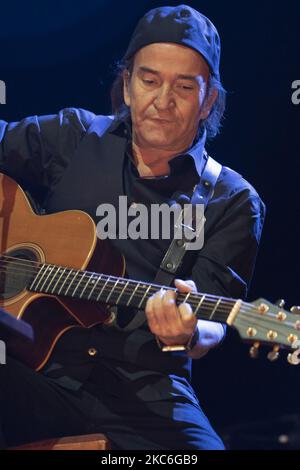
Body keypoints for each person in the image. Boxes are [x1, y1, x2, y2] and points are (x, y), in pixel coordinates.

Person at [0, 5, 265, 450]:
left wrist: (191, 332)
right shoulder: (73, 137)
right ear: (126, 85)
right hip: (31, 366)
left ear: (209, 101)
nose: (163, 101)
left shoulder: (232, 200)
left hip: (145, 394)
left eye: (184, 87)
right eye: (149, 80)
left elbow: (215, 315)